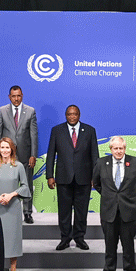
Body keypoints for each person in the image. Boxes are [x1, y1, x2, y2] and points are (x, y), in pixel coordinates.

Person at [94, 136, 136, 271]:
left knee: (128, 246)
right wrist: (110, 197)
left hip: (128, 211)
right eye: (115, 148)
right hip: (108, 212)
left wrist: (125, 197)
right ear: (110, 149)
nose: (118, 151)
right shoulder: (101, 163)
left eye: (121, 148)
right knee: (110, 246)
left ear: (125, 148)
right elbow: (97, 184)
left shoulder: (135, 162)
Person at [46, 105, 97, 250]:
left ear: (79, 115)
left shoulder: (89, 130)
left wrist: (95, 176)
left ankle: (80, 238)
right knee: (64, 211)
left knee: (82, 211)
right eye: (69, 114)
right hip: (63, 178)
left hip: (84, 178)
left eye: (74, 114)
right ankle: (65, 238)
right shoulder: (57, 130)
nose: (72, 117)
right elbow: (51, 154)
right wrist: (49, 175)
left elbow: (95, 155)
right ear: (65, 115)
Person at [0, 137, 31, 271]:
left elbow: (25, 186)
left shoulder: (19, 166)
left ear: (12, 149)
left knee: (13, 239)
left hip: (13, 207)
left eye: (7, 147)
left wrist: (11, 195)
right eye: (2, 148)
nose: (5, 150)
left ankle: (13, 270)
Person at [0, 85, 39, 224]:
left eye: (19, 95)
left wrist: (33, 155)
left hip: (26, 155)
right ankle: (8, 211)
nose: (16, 98)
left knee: (27, 184)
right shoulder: (2, 111)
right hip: (7, 155)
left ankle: (27, 212)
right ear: (9, 97)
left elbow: (33, 135)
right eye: (13, 96)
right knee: (8, 183)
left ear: (22, 95)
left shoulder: (30, 111)